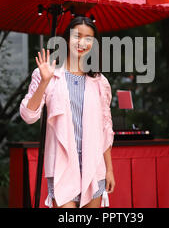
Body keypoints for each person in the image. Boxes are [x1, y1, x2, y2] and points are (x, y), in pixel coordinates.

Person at [19, 16, 115, 208]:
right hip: (61, 165)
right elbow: (28, 116)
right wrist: (44, 82)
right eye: (77, 36)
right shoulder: (48, 74)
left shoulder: (100, 82)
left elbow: (105, 128)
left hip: (94, 166)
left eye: (88, 38)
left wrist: (109, 169)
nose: (82, 42)